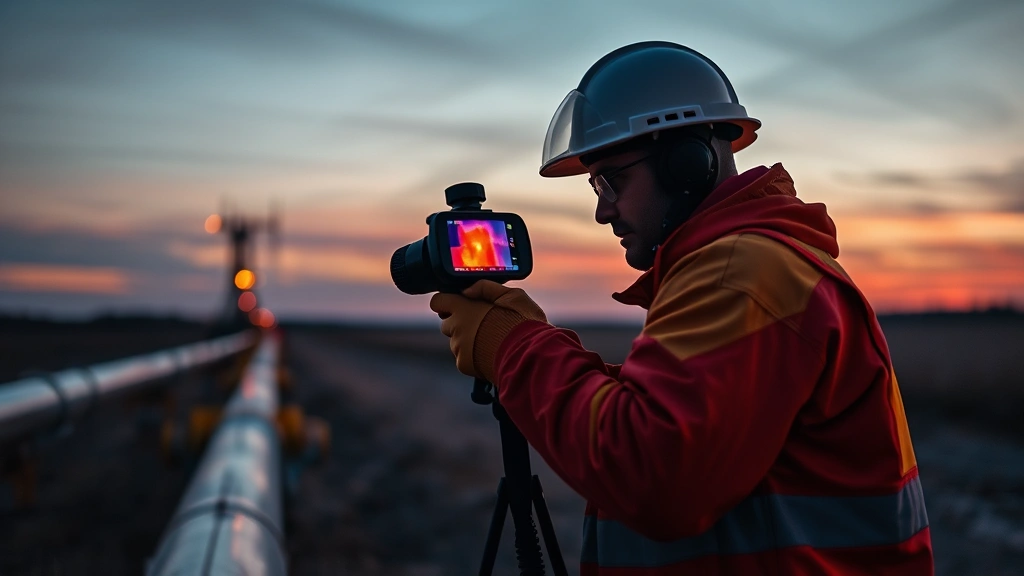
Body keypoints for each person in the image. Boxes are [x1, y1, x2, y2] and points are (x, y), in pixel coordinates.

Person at [430, 41, 934, 575]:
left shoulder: (741, 273)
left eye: (612, 180)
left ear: (685, 163)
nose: (603, 210)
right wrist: (531, 342)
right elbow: (685, 417)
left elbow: (650, 470)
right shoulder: (751, 266)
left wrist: (511, 347)